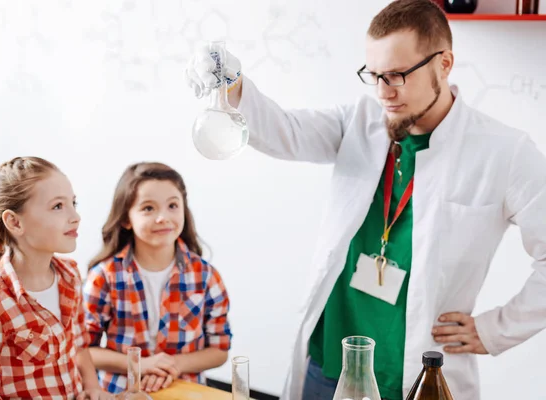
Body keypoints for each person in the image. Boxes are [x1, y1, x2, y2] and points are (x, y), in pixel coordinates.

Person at [184, 0, 546, 399]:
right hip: (330, 362)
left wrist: (496, 329)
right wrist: (232, 83)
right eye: (373, 75)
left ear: (444, 64)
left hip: (414, 374)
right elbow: (284, 131)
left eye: (396, 75)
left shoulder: (504, 151)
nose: (382, 92)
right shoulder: (362, 120)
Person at [0, 157, 111, 399]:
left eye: (73, 202)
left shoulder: (70, 275)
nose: (75, 216)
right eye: (58, 206)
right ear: (15, 222)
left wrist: (92, 388)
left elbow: (79, 347)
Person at [83, 162, 232, 394]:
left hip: (185, 391)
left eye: (172, 205)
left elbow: (220, 349)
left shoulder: (206, 276)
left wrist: (173, 365)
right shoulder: (104, 277)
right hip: (122, 392)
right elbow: (83, 350)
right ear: (126, 219)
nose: (163, 217)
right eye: (148, 208)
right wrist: (140, 365)